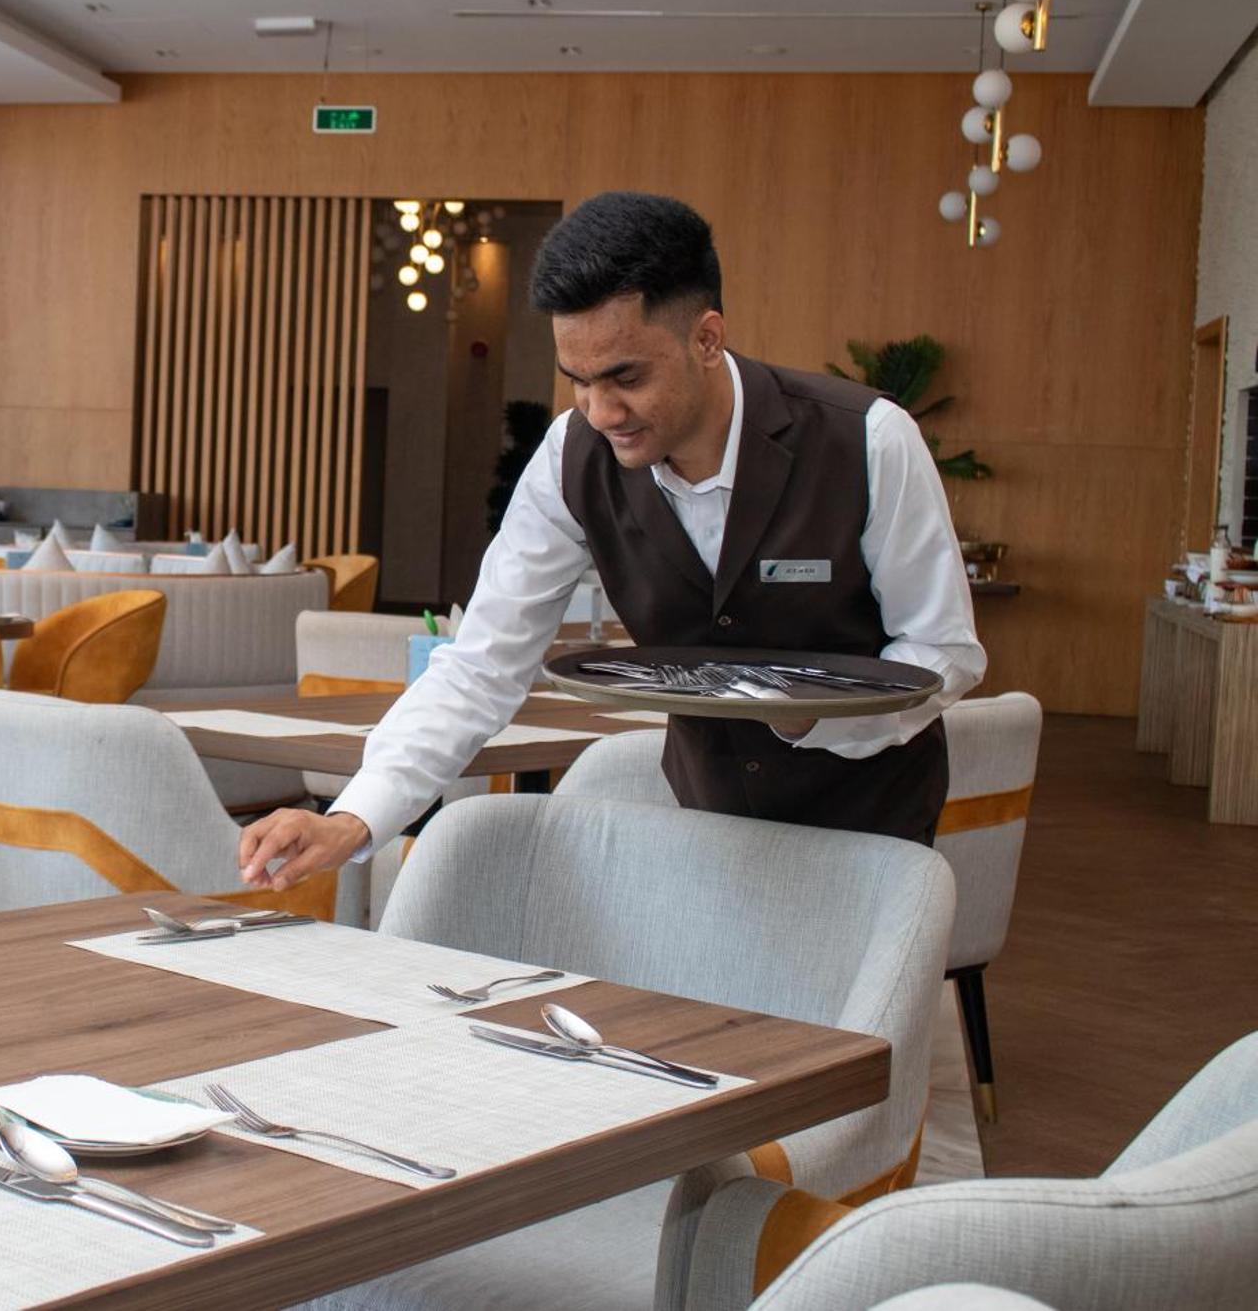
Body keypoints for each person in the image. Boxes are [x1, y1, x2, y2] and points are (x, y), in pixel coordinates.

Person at [239, 191, 985, 896]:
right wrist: (353, 815)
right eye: (578, 380)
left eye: (626, 376)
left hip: (871, 836)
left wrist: (812, 716)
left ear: (707, 338)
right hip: (704, 830)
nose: (601, 411)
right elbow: (482, 665)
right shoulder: (572, 456)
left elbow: (944, 651)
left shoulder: (866, 438)